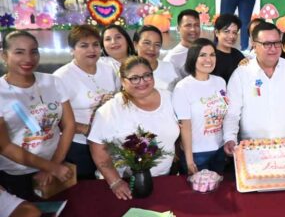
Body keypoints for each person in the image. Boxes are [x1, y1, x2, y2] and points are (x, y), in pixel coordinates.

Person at [89, 56, 179, 200]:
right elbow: (97, 146)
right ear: (123, 81)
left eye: (147, 76)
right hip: (125, 183)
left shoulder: (170, 98)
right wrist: (115, 182)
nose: (142, 82)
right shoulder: (111, 109)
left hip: (163, 178)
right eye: (134, 78)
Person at [222, 22, 285, 155]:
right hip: (251, 149)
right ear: (254, 45)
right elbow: (232, 113)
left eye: (277, 43)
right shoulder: (241, 74)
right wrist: (229, 138)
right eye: (267, 44)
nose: (273, 49)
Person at [1, 31, 74, 198]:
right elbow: (4, 145)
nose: (28, 58)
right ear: (4, 55)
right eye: (19, 52)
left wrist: (54, 164)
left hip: (57, 164)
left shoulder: (53, 81)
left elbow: (69, 124)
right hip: (17, 173)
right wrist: (50, 167)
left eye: (34, 51)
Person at [54, 25, 119, 180]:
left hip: (109, 141)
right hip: (79, 145)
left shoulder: (109, 67)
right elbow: (55, 119)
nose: (92, 50)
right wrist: (87, 130)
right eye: (84, 46)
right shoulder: (61, 77)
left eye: (95, 45)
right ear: (72, 49)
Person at [173, 38, 228, 175]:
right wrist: (190, 161)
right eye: (202, 55)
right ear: (193, 58)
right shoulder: (183, 87)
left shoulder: (220, 82)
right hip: (197, 153)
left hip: (220, 149)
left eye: (212, 54)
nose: (208, 59)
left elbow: (226, 113)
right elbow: (185, 126)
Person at [133, 25, 179, 91]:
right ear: (135, 45)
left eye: (157, 45)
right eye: (147, 43)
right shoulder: (128, 71)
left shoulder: (169, 67)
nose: (152, 49)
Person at [163, 9, 201, 77]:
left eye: (196, 25)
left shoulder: (206, 50)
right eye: (188, 25)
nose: (193, 29)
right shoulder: (172, 59)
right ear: (178, 28)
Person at [212, 14, 245, 83]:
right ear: (216, 33)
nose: (231, 36)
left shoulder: (238, 55)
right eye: (226, 31)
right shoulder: (210, 54)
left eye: (234, 32)